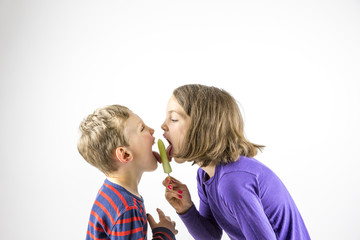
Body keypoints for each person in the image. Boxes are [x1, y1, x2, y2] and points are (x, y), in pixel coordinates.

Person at [161, 84, 310, 240]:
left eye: (173, 119)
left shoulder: (233, 181)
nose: (163, 125)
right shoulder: (205, 175)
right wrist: (186, 209)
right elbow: (211, 236)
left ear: (203, 127)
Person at [77, 104, 177, 240]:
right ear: (125, 155)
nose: (152, 130)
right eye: (142, 128)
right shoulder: (127, 208)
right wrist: (165, 234)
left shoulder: (111, 193)